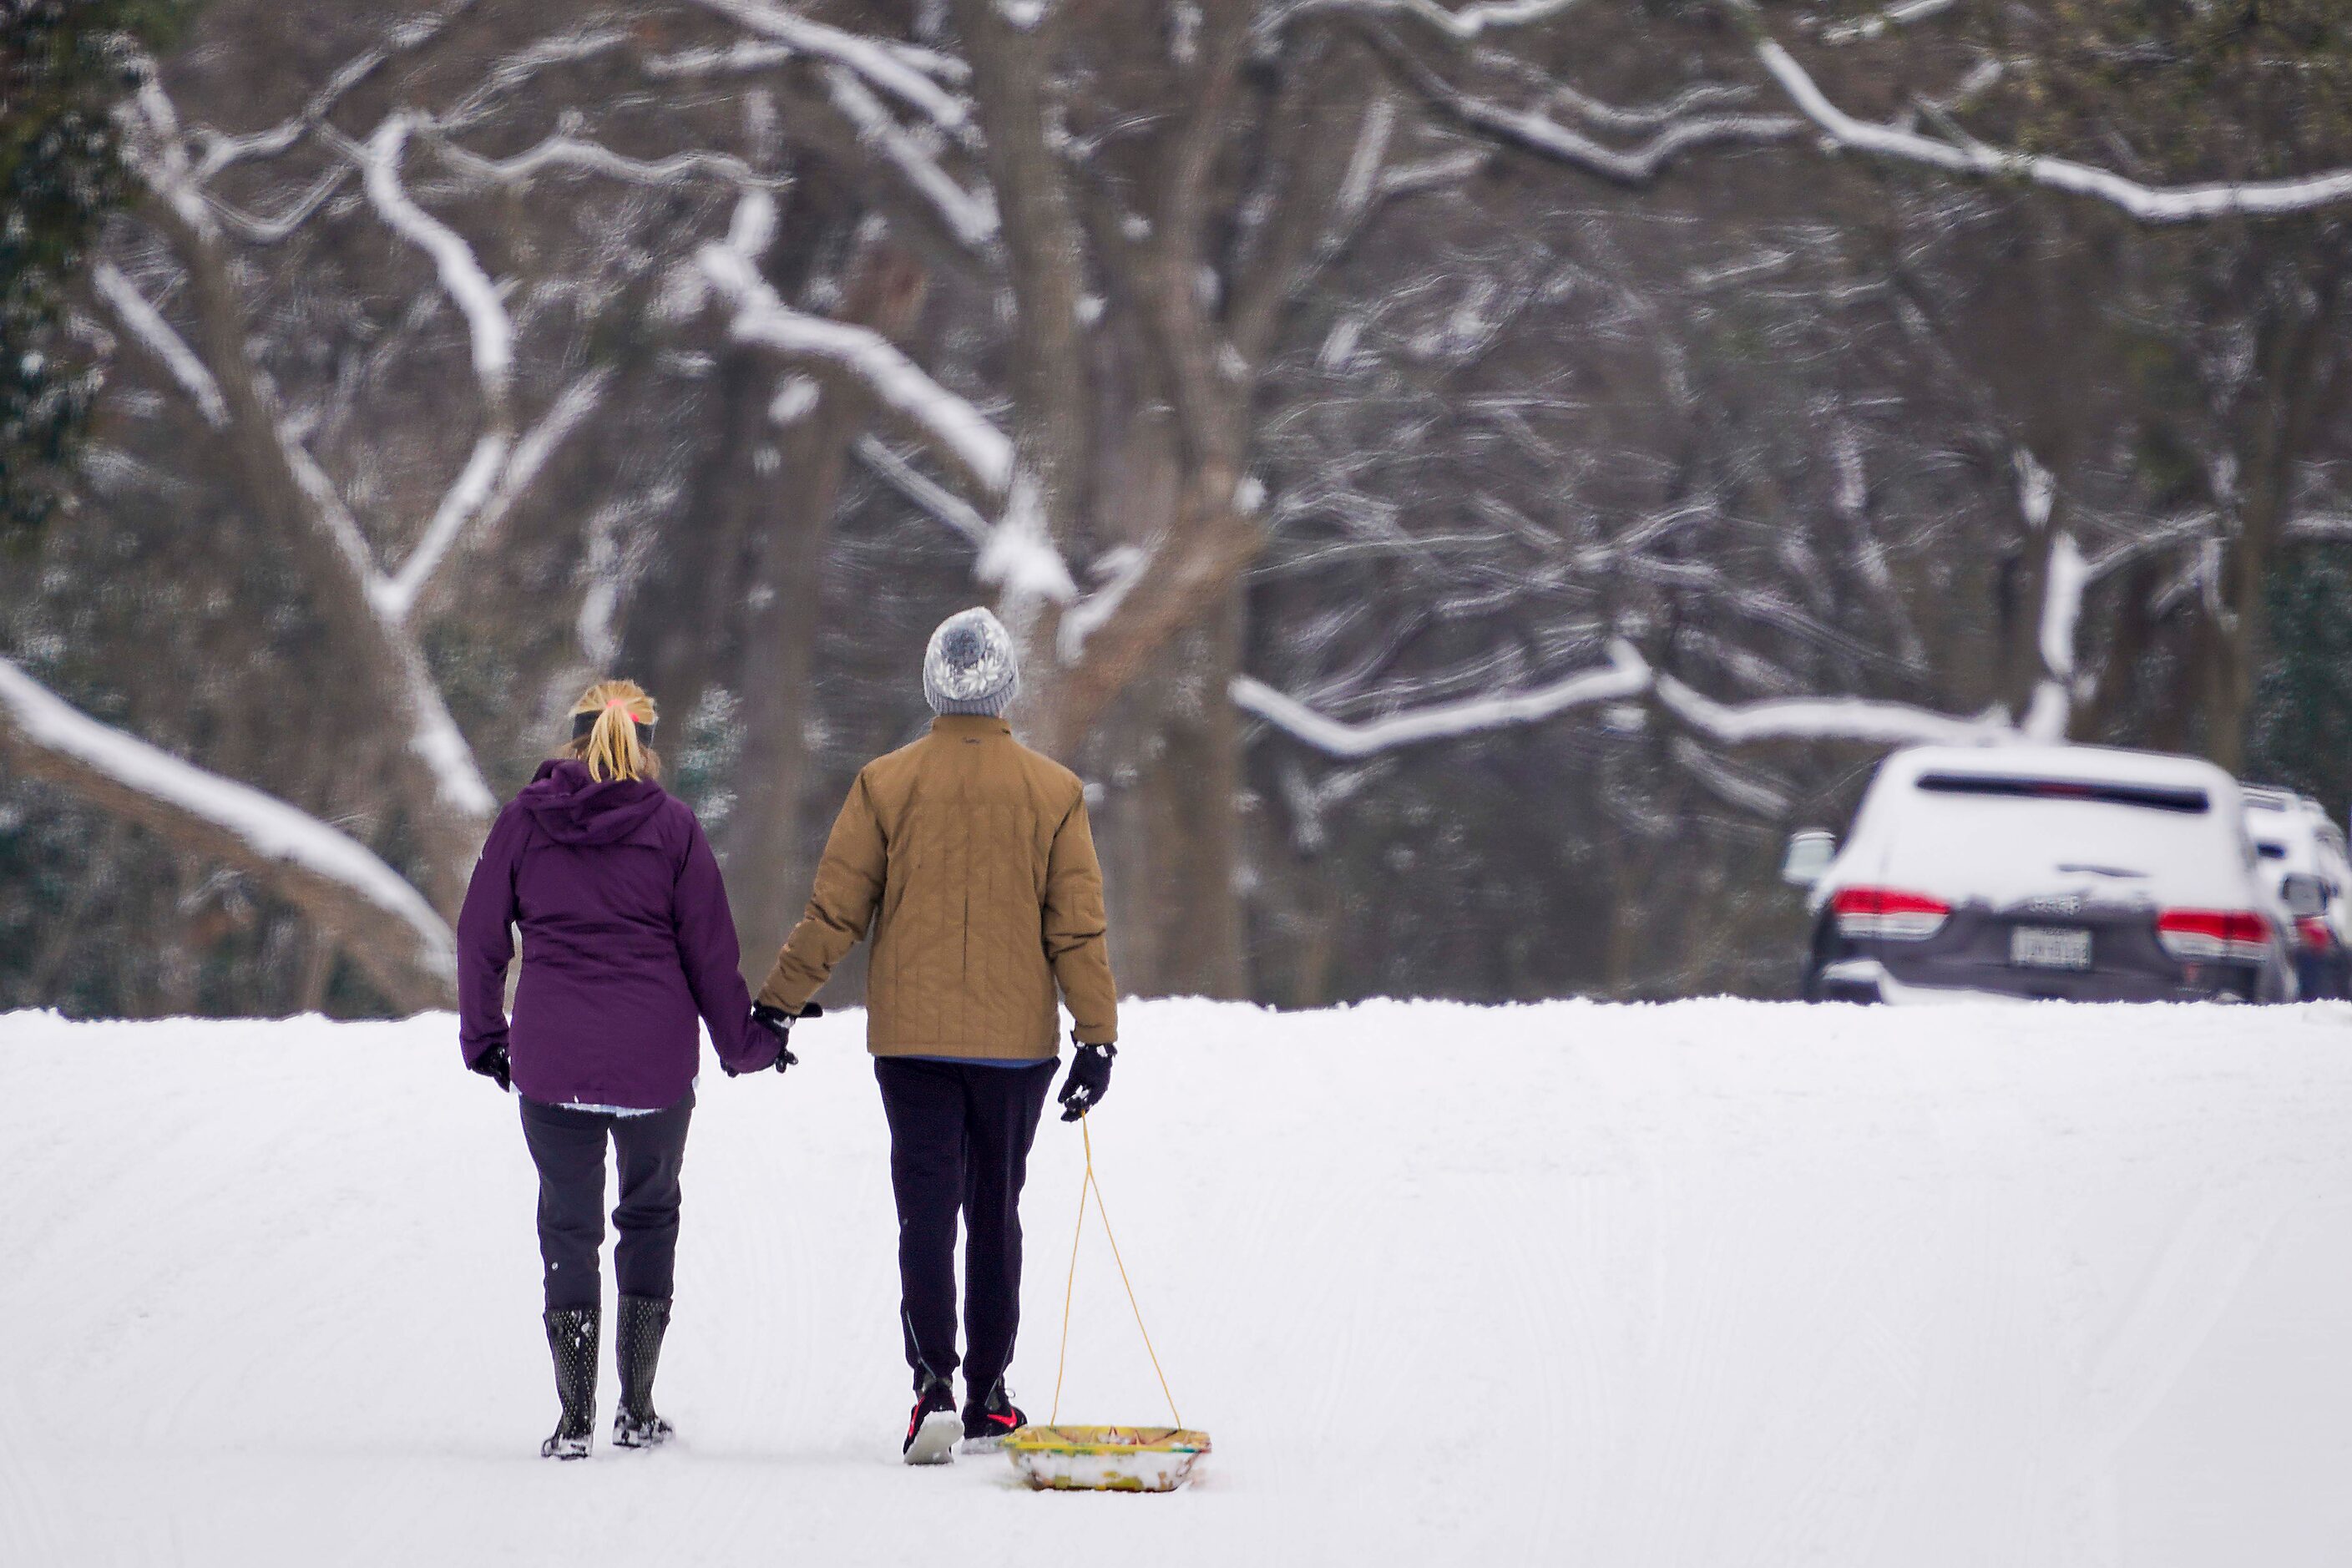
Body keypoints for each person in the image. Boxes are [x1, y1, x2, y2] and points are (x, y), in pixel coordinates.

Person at [753, 607, 1119, 1465]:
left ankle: (933, 1389)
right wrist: (1095, 1037)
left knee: (925, 1211)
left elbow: (836, 909)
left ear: (933, 682)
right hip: (1015, 1049)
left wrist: (779, 1003)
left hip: (912, 1045)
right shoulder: (1054, 791)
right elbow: (1077, 931)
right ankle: (991, 1395)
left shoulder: (885, 784)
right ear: (1006, 686)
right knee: (994, 1211)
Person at [457, 679, 792, 1459]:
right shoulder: (671, 827)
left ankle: (574, 1418)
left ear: (570, 739)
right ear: (646, 744)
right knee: (647, 1218)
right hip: (653, 1066)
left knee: (567, 1230)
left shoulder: (523, 823)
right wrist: (747, 1045)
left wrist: (485, 1036)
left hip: (552, 1062)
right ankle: (635, 1409)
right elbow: (711, 956)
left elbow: (480, 935)